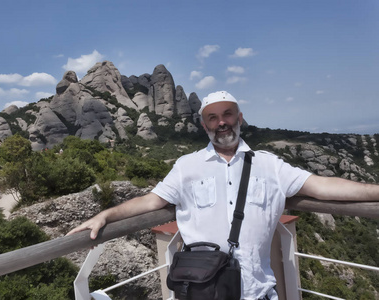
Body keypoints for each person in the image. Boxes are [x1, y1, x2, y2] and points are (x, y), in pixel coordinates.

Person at [67, 91, 379, 299]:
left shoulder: (270, 165)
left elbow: (322, 186)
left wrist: (375, 191)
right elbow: (152, 201)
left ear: (240, 118)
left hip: (258, 291)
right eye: (213, 118)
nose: (222, 123)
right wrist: (106, 215)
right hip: (204, 291)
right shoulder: (186, 166)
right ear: (204, 125)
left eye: (228, 115)